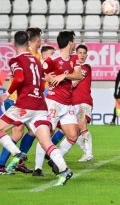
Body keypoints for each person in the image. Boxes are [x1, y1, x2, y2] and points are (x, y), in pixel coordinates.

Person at [0, 31, 72, 186]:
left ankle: (17, 153)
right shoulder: (37, 60)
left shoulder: (15, 60)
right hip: (40, 105)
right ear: (28, 43)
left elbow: (19, 77)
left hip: (24, 104)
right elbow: (40, 83)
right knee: (46, 142)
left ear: (14, 44)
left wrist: (7, 93)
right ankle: (64, 169)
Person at [33, 31, 83, 175]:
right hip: (53, 102)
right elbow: (38, 73)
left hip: (67, 103)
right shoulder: (52, 59)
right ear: (69, 43)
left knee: (74, 134)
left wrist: (64, 75)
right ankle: (37, 168)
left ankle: (56, 159)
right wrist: (46, 77)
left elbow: (78, 75)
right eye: (73, 41)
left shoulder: (74, 58)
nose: (74, 43)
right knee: (46, 134)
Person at [0, 27, 43, 174]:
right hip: (16, 100)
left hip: (30, 102)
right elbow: (19, 78)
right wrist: (8, 93)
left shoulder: (36, 56)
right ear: (33, 40)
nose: (40, 42)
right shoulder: (27, 56)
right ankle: (3, 163)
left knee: (32, 131)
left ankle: (18, 160)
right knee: (17, 133)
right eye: (39, 39)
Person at [72, 44, 94, 162]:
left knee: (82, 125)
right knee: (72, 131)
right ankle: (86, 152)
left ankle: (89, 153)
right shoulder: (72, 68)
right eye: (80, 52)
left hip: (83, 101)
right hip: (72, 103)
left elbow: (74, 83)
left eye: (84, 53)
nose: (82, 55)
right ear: (76, 54)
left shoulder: (85, 67)